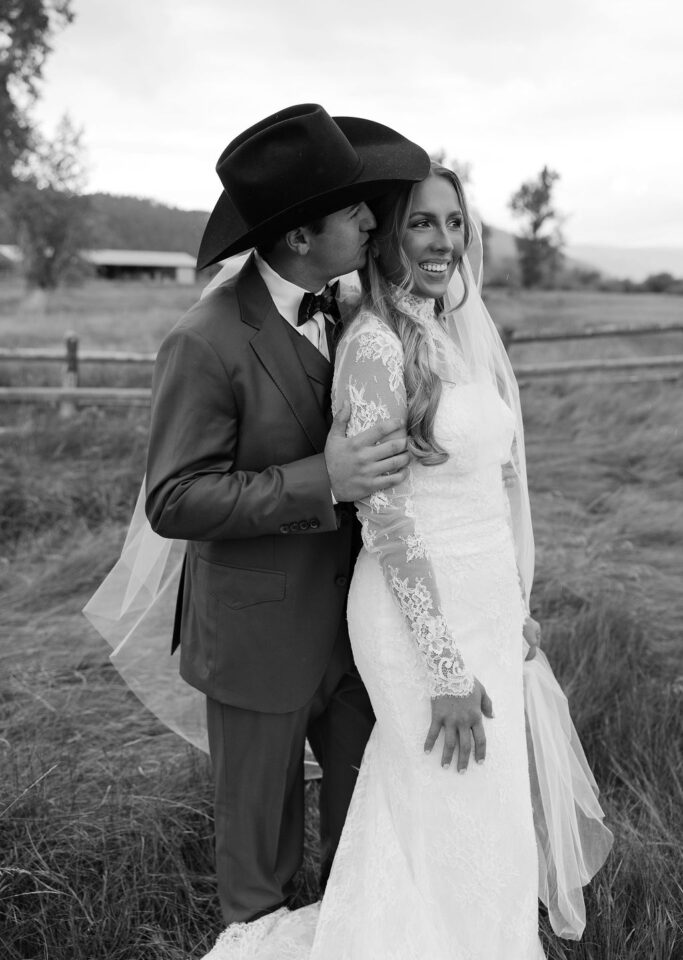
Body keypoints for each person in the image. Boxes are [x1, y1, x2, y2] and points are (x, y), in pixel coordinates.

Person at [200, 162, 613, 959]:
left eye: (454, 223)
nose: (443, 241)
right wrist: (444, 670)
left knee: (483, 802)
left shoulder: (451, 333)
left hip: (484, 606)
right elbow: (385, 519)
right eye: (422, 222)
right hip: (418, 620)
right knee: (446, 790)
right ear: (385, 235)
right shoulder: (374, 347)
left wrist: (513, 606)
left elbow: (492, 489)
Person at [138, 105, 432, 950]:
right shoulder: (204, 341)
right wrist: (321, 481)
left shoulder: (355, 313)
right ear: (301, 236)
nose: (371, 220)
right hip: (256, 639)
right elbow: (174, 499)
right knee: (258, 873)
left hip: (357, 634)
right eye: (352, 210)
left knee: (365, 835)